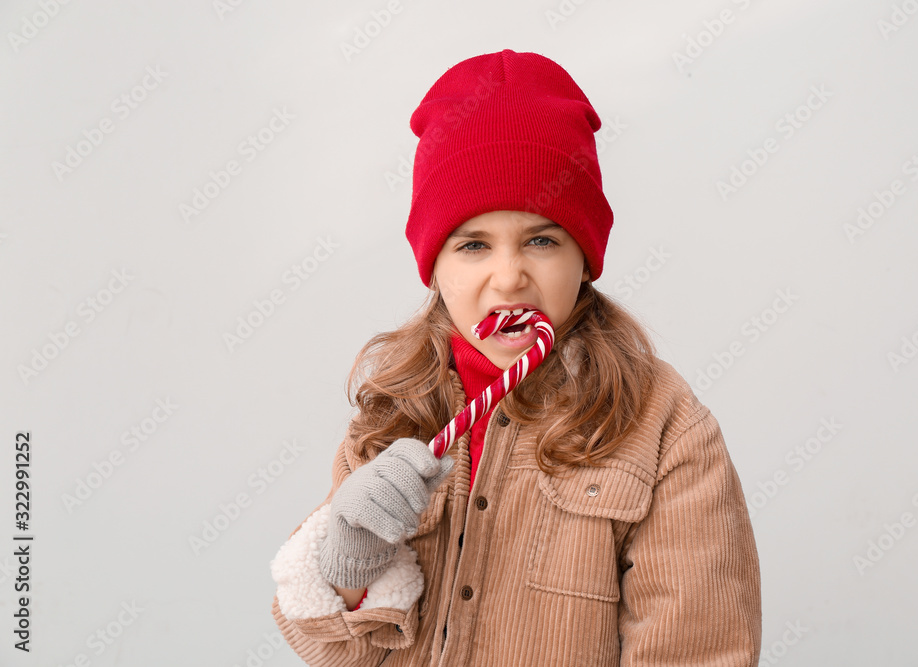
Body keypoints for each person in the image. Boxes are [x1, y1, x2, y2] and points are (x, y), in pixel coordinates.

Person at [269, 48, 762, 666]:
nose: (509, 278)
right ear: (435, 266)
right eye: (473, 245)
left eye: (541, 240)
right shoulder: (393, 413)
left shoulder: (664, 427)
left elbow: (699, 651)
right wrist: (349, 566)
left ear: (583, 256)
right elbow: (335, 655)